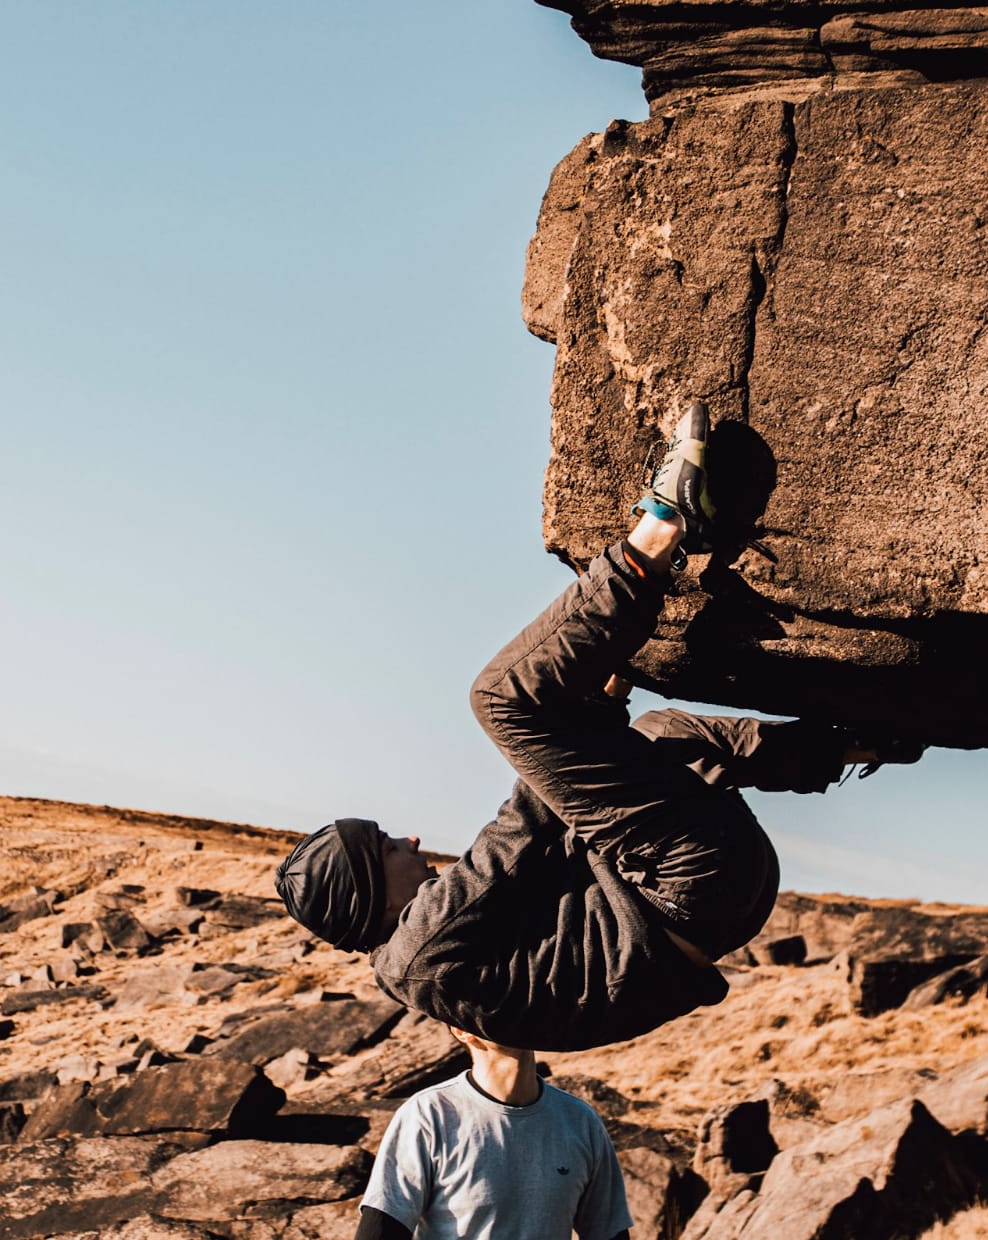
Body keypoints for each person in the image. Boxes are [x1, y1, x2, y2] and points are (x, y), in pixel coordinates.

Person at [276, 402, 916, 1050]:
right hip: (683, 883)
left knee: (660, 734)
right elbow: (522, 833)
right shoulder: (418, 947)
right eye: (386, 846)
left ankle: (847, 746)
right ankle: (666, 522)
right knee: (501, 702)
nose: (409, 840)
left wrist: (598, 724)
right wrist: (584, 712)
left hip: (717, 902)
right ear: (364, 896)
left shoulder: (431, 973)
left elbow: (552, 844)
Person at [354, 1028, 630, 1240]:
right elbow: (381, 1230)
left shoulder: (579, 1120)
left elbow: (609, 1233)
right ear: (461, 1030)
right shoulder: (429, 1115)